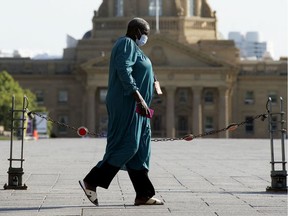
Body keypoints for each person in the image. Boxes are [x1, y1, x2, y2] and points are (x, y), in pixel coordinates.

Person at [79, 17, 163, 206]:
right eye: (145, 33)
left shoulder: (136, 49)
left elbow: (139, 69)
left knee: (141, 150)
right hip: (128, 105)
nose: (146, 37)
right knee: (128, 145)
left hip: (141, 110)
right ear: (137, 32)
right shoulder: (126, 43)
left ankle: (143, 194)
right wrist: (139, 98)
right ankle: (92, 180)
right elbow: (123, 70)